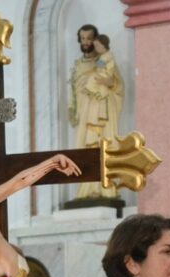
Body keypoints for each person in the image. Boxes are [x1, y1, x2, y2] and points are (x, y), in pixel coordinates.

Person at [69, 24, 123, 200]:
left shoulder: (104, 61)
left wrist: (109, 84)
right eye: (82, 38)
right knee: (86, 147)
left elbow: (118, 86)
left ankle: (106, 188)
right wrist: (72, 108)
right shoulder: (78, 65)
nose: (86, 42)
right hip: (85, 113)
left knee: (103, 145)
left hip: (102, 112)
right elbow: (74, 90)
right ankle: (86, 188)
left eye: (89, 38)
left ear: (96, 40)